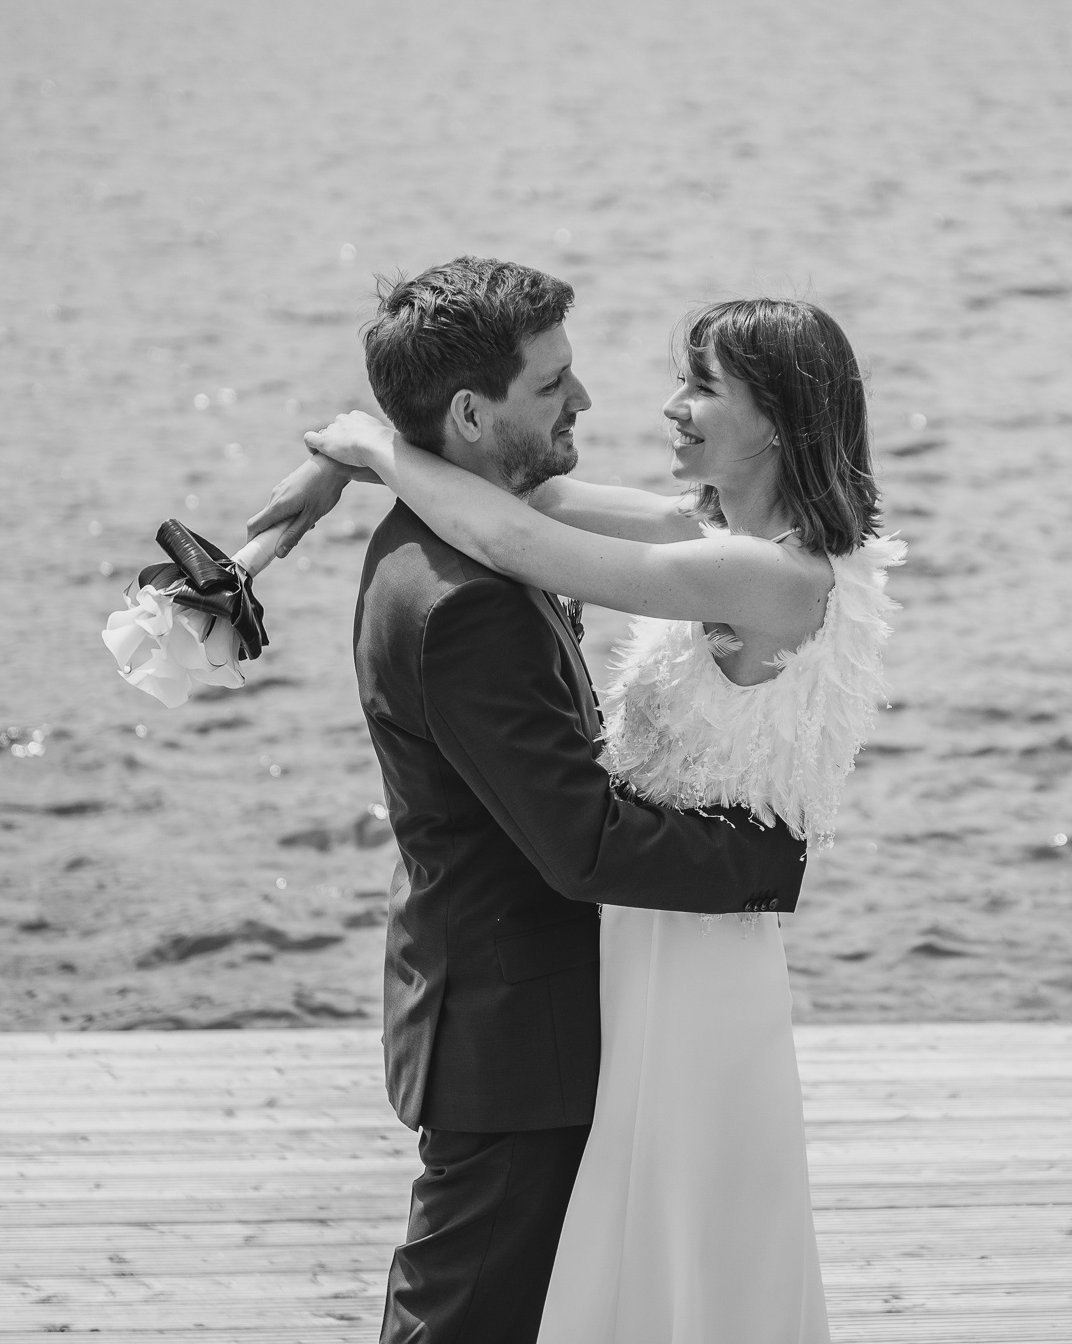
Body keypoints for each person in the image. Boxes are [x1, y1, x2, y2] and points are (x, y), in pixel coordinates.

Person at [263, 271, 900, 1344]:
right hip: (636, 942)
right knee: (618, 1249)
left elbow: (523, 545)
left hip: (692, 957)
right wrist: (350, 462)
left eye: (701, 387)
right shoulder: (705, 530)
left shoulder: (772, 578)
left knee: (677, 1240)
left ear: (779, 421)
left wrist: (369, 450)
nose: (665, 405)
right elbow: (532, 503)